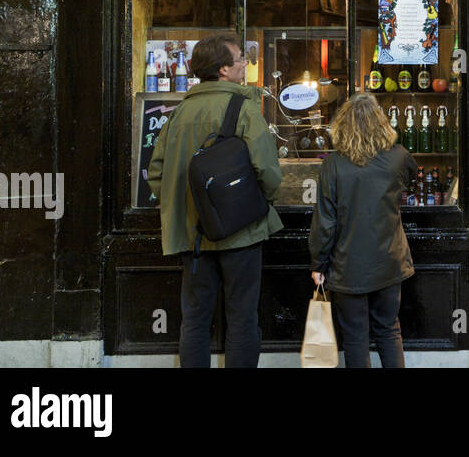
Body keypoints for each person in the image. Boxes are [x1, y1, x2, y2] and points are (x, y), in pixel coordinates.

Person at [147, 33, 283, 368]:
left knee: (194, 320)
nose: (244, 65)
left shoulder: (179, 112)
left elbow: (156, 174)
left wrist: (188, 210)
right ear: (223, 70)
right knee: (242, 319)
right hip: (241, 232)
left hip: (193, 238)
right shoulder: (244, 109)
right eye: (240, 60)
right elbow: (268, 171)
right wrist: (250, 204)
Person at [309, 93, 417, 368]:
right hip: (389, 260)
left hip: (348, 265)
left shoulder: (332, 165)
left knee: (355, 338)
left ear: (343, 126)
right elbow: (411, 179)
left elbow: (325, 221)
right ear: (381, 123)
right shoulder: (399, 157)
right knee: (389, 330)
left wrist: (318, 262)